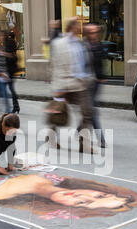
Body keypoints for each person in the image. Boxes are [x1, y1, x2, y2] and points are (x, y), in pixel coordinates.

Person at [0, 173, 137, 219]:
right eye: (101, 195)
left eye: (81, 202)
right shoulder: (47, 177)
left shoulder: (4, 197)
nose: (81, 195)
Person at [50, 17, 96, 154]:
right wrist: (58, 88)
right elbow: (55, 66)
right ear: (71, 26)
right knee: (58, 113)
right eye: (77, 24)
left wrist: (89, 78)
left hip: (79, 84)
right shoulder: (58, 44)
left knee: (87, 113)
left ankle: (84, 144)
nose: (79, 26)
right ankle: (51, 137)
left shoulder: (80, 44)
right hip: (64, 85)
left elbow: (85, 63)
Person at [84, 23, 107, 148]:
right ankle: (101, 138)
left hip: (96, 82)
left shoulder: (98, 45)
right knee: (91, 109)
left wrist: (102, 77)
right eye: (92, 32)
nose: (95, 34)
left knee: (90, 109)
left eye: (96, 31)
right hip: (85, 82)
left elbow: (101, 62)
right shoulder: (83, 46)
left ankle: (80, 130)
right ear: (87, 34)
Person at [4, 31, 20, 114]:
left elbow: (9, 55)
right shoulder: (14, 42)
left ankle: (14, 106)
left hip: (9, 69)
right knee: (10, 88)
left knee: (9, 88)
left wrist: (3, 53)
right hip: (11, 68)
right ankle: (15, 106)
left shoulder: (9, 42)